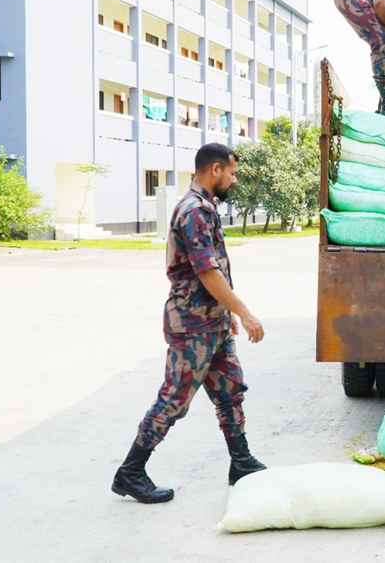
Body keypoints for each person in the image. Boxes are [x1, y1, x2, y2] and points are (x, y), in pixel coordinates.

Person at [111, 143, 267, 504]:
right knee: (174, 398)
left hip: (212, 322)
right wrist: (244, 312)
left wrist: (226, 315)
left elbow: (214, 274)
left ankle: (240, 462)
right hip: (192, 324)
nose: (234, 179)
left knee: (230, 391)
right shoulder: (194, 210)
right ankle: (130, 472)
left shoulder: (206, 207)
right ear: (214, 170)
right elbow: (207, 272)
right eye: (232, 172)